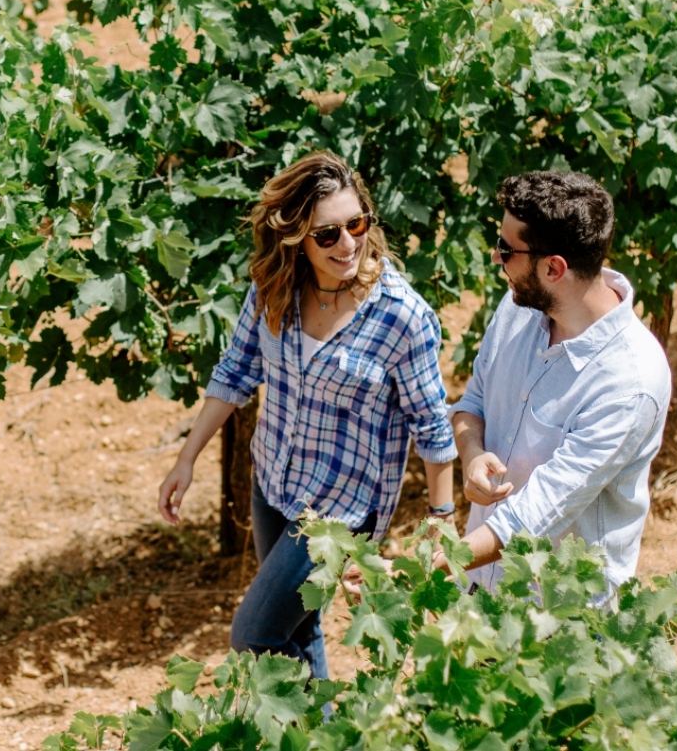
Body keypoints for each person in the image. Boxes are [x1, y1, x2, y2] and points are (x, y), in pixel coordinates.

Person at [156, 151, 455, 679]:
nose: (348, 244)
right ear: (296, 237)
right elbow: (236, 371)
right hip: (273, 479)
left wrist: (441, 517)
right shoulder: (275, 288)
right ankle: (322, 722)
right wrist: (186, 459)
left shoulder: (401, 317)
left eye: (356, 224)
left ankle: (303, 718)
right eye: (327, 234)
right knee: (299, 628)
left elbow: (430, 424)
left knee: (255, 634)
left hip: (337, 510)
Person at [447, 170, 672, 595]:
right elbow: (472, 403)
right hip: (479, 585)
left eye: (506, 249)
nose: (495, 258)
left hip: (558, 617)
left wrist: (424, 566)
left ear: (553, 267)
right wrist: (472, 454)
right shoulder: (517, 307)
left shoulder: (630, 382)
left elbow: (534, 517)